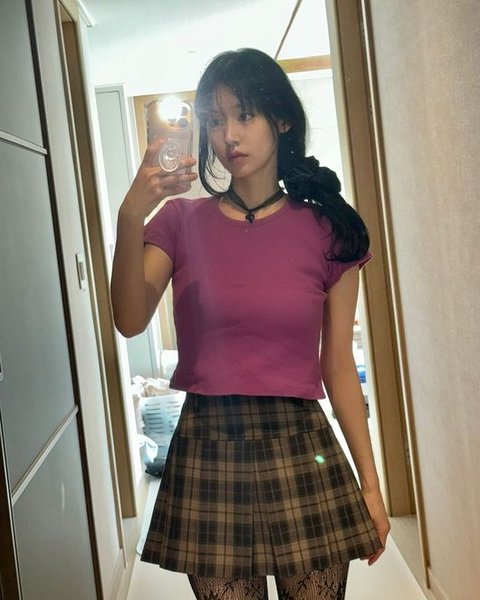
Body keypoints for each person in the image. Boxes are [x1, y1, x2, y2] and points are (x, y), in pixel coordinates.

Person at [111, 48, 390, 600]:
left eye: (244, 115)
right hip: (208, 446)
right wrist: (129, 214)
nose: (228, 136)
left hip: (300, 443)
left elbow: (338, 368)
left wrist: (372, 487)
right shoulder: (179, 220)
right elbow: (129, 318)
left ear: (281, 119)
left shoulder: (328, 230)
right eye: (215, 121)